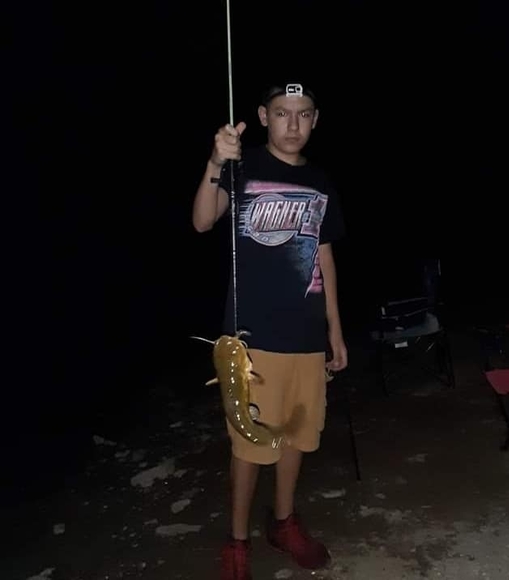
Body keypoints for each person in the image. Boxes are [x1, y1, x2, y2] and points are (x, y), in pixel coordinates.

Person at [192, 81, 348, 580]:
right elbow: (202, 222)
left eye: (303, 114)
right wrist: (215, 161)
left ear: (315, 120)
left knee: (298, 435)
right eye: (282, 113)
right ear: (263, 116)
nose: (293, 124)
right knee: (250, 443)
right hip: (251, 340)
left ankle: (283, 523)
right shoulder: (242, 166)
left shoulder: (321, 181)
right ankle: (237, 541)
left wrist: (335, 330)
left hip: (307, 335)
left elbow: (325, 256)